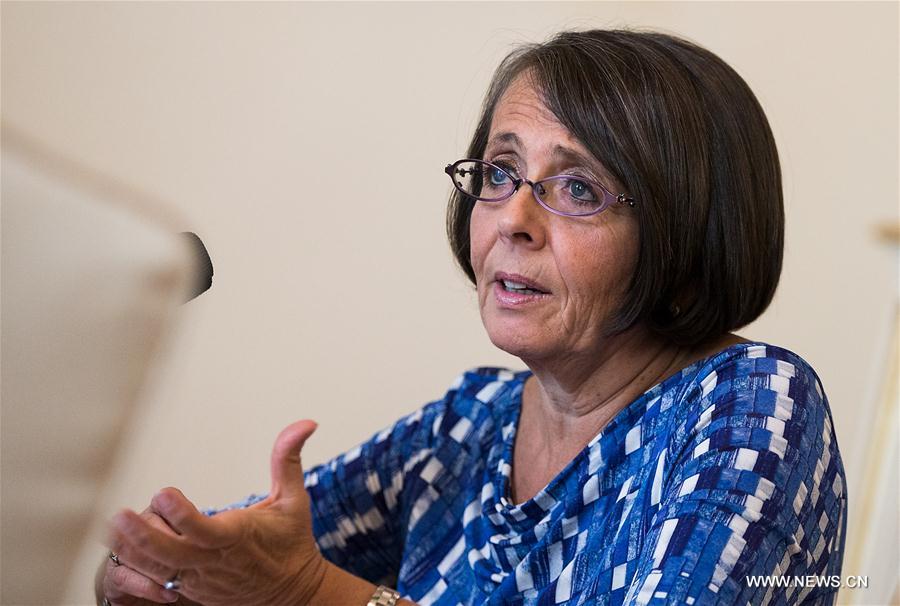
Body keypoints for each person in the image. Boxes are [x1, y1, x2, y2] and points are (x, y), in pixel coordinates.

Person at [97, 29, 847, 605]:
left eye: (578, 188)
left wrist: (312, 594)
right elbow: (234, 556)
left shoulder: (751, 404)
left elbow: (291, 583)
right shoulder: (467, 428)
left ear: (687, 233)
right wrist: (159, 572)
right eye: (500, 172)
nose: (512, 218)